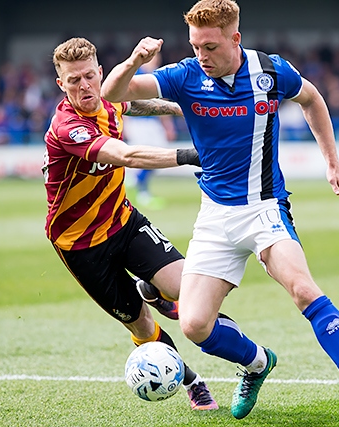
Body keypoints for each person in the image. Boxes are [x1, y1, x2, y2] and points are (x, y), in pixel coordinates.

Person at [101, 0, 339, 421]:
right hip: (215, 217)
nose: (202, 56)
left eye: (211, 47)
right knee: (195, 325)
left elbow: (312, 99)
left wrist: (331, 161)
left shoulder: (270, 71)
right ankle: (257, 365)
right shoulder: (184, 75)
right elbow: (113, 93)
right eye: (196, 46)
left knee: (304, 289)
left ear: (235, 38)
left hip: (264, 209)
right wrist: (134, 61)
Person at [42, 36, 218, 411]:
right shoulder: (67, 127)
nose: (84, 86)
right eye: (74, 80)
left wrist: (183, 108)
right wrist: (191, 154)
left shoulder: (107, 98)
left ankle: (154, 290)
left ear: (100, 72)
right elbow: (126, 154)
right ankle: (193, 381)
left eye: (89, 76)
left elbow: (133, 104)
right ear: (61, 84)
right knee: (142, 327)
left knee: (189, 291)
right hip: (81, 245)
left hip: (123, 221)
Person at [123, 52, 178, 209]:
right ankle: (141, 190)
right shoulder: (137, 76)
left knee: (157, 154)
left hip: (151, 123)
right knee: (147, 155)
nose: (157, 60)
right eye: (154, 58)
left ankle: (136, 181)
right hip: (138, 123)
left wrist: (167, 125)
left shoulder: (157, 75)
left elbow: (161, 103)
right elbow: (125, 100)